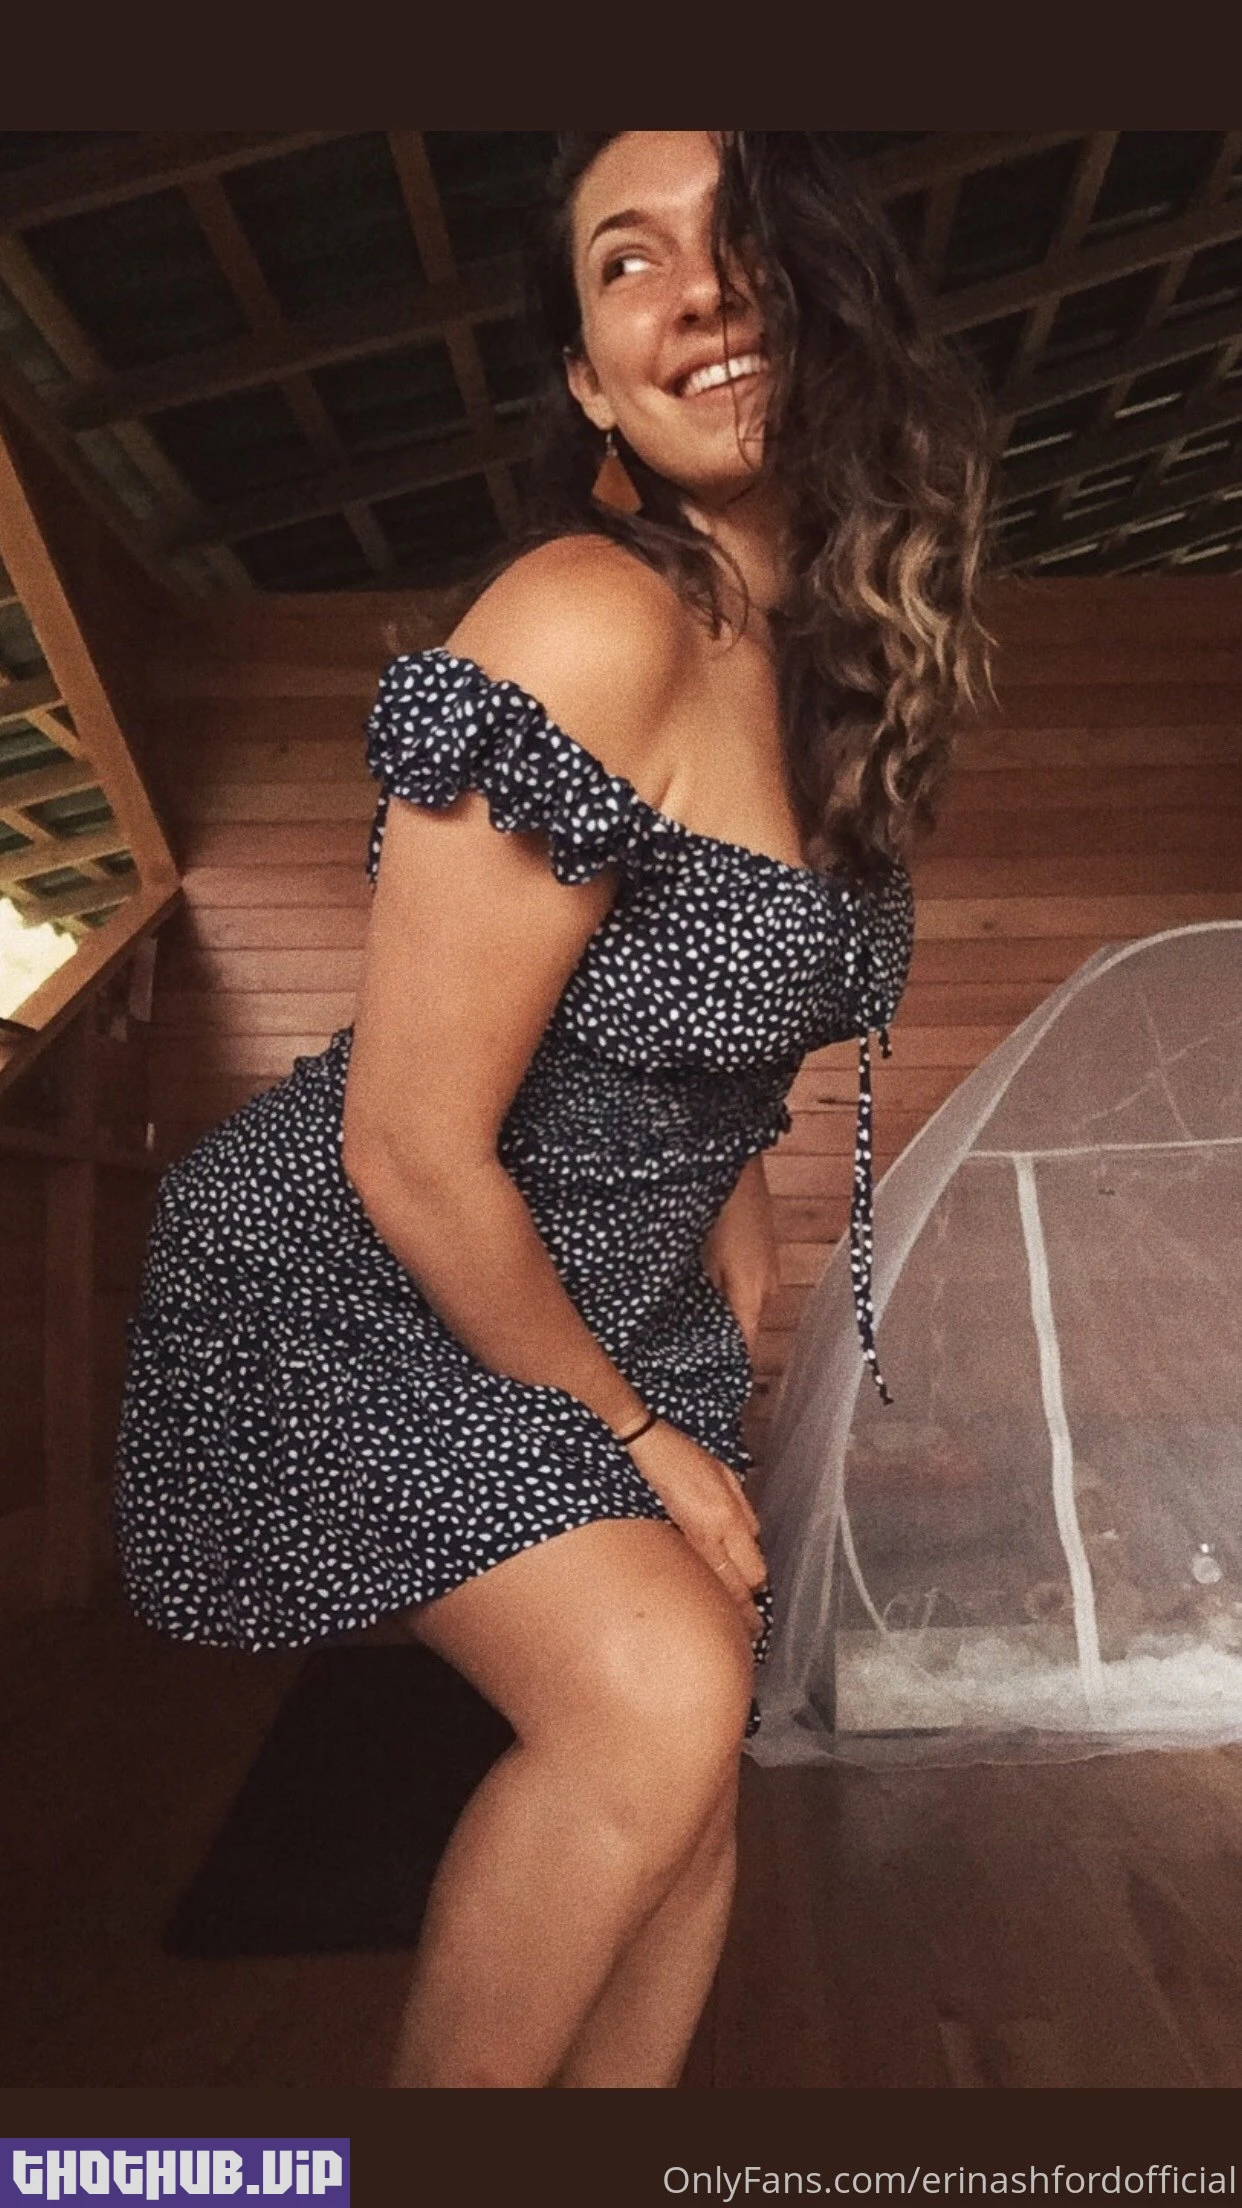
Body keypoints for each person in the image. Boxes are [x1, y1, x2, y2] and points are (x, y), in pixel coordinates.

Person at [113, 131, 991, 2088]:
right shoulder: (584, 621)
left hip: (613, 1291)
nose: (699, 287)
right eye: (625, 260)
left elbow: (693, 1041)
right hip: (357, 1275)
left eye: (735, 237)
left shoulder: (828, 677)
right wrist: (633, 1429)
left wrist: (731, 1256)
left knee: (693, 1749)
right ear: (590, 385)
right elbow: (410, 1149)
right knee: (649, 1696)